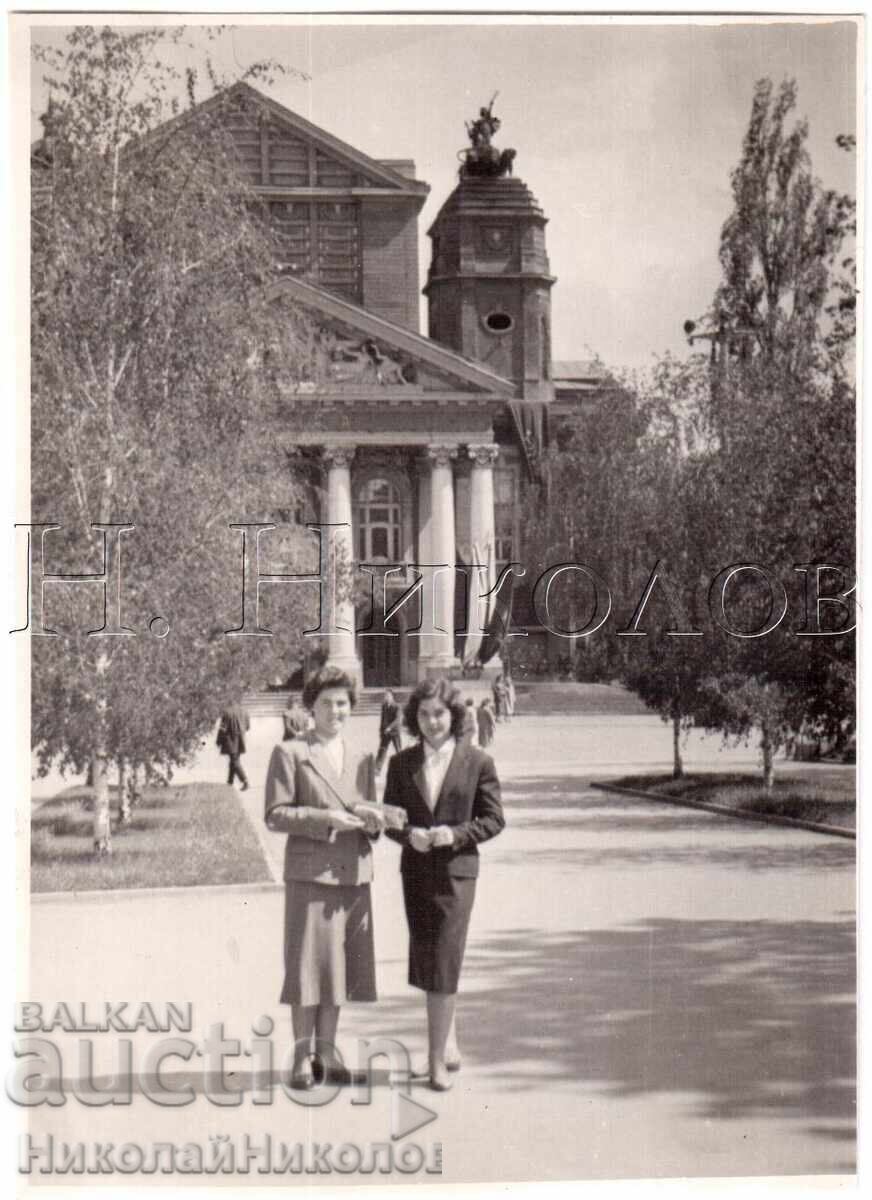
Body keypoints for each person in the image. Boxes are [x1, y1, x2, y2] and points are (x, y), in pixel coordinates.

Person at [264, 666, 386, 1090]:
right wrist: (324, 819)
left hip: (353, 876)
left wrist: (374, 822)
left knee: (337, 971)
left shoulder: (362, 757)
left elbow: (371, 818)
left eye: (344, 703)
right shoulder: (291, 753)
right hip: (311, 875)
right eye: (328, 702)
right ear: (311, 707)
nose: (337, 710)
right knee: (305, 970)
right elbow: (276, 815)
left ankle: (329, 1056)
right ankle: (302, 1058)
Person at [384, 678, 505, 1091]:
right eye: (423, 714)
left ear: (453, 715)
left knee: (444, 960)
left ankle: (436, 1061)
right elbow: (391, 820)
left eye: (439, 713)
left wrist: (455, 834)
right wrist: (407, 835)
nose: (432, 721)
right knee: (427, 960)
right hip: (415, 873)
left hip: (456, 874)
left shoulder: (477, 762)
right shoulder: (402, 764)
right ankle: (446, 1043)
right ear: (413, 718)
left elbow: (493, 819)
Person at [217, 701, 251, 791]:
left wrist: (218, 740)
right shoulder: (245, 711)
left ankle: (245, 781)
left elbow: (223, 729)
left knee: (234, 761)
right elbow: (248, 727)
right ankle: (229, 782)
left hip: (230, 740)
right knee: (234, 760)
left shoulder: (227, 712)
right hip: (241, 739)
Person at [374, 689, 402, 773]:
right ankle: (377, 769)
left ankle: (403, 769)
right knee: (382, 750)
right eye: (385, 696)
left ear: (392, 696)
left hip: (394, 733)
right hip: (385, 733)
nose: (386, 697)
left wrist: (390, 727)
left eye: (388, 695)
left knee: (398, 751)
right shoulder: (384, 706)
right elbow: (383, 719)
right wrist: (381, 730)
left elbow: (398, 719)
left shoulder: (397, 706)